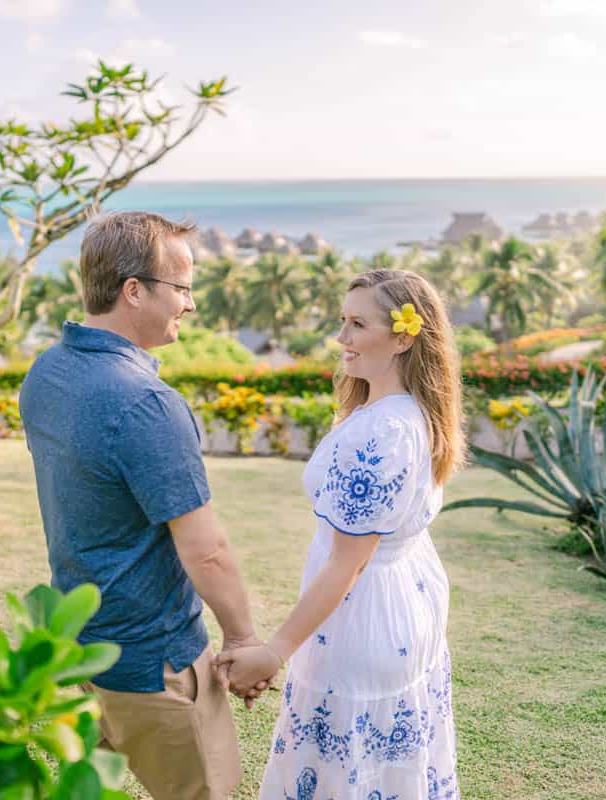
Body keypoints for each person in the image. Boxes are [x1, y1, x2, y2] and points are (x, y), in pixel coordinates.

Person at [19, 211, 267, 800]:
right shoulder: (147, 404)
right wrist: (241, 641)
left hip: (78, 655)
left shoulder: (47, 372)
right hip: (153, 663)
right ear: (134, 290)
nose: (191, 303)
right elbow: (206, 552)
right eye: (182, 287)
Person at [217, 269, 463, 799]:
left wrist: (275, 651)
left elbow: (347, 562)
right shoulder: (410, 414)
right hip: (404, 605)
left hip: (364, 619)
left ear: (402, 337)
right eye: (342, 322)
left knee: (343, 773)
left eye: (357, 324)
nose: (342, 338)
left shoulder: (380, 432)